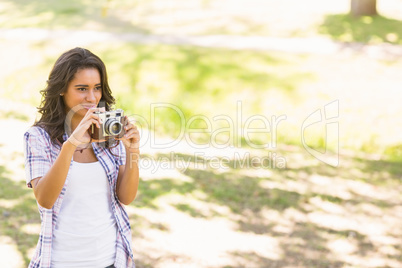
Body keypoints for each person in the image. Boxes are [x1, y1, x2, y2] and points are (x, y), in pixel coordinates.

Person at [23, 47, 140, 268]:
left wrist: (132, 152)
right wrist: (71, 145)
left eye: (97, 88)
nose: (92, 97)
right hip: (61, 261)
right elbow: (45, 199)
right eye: (82, 89)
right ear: (61, 90)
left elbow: (126, 197)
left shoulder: (107, 130)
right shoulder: (38, 137)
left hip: (111, 259)